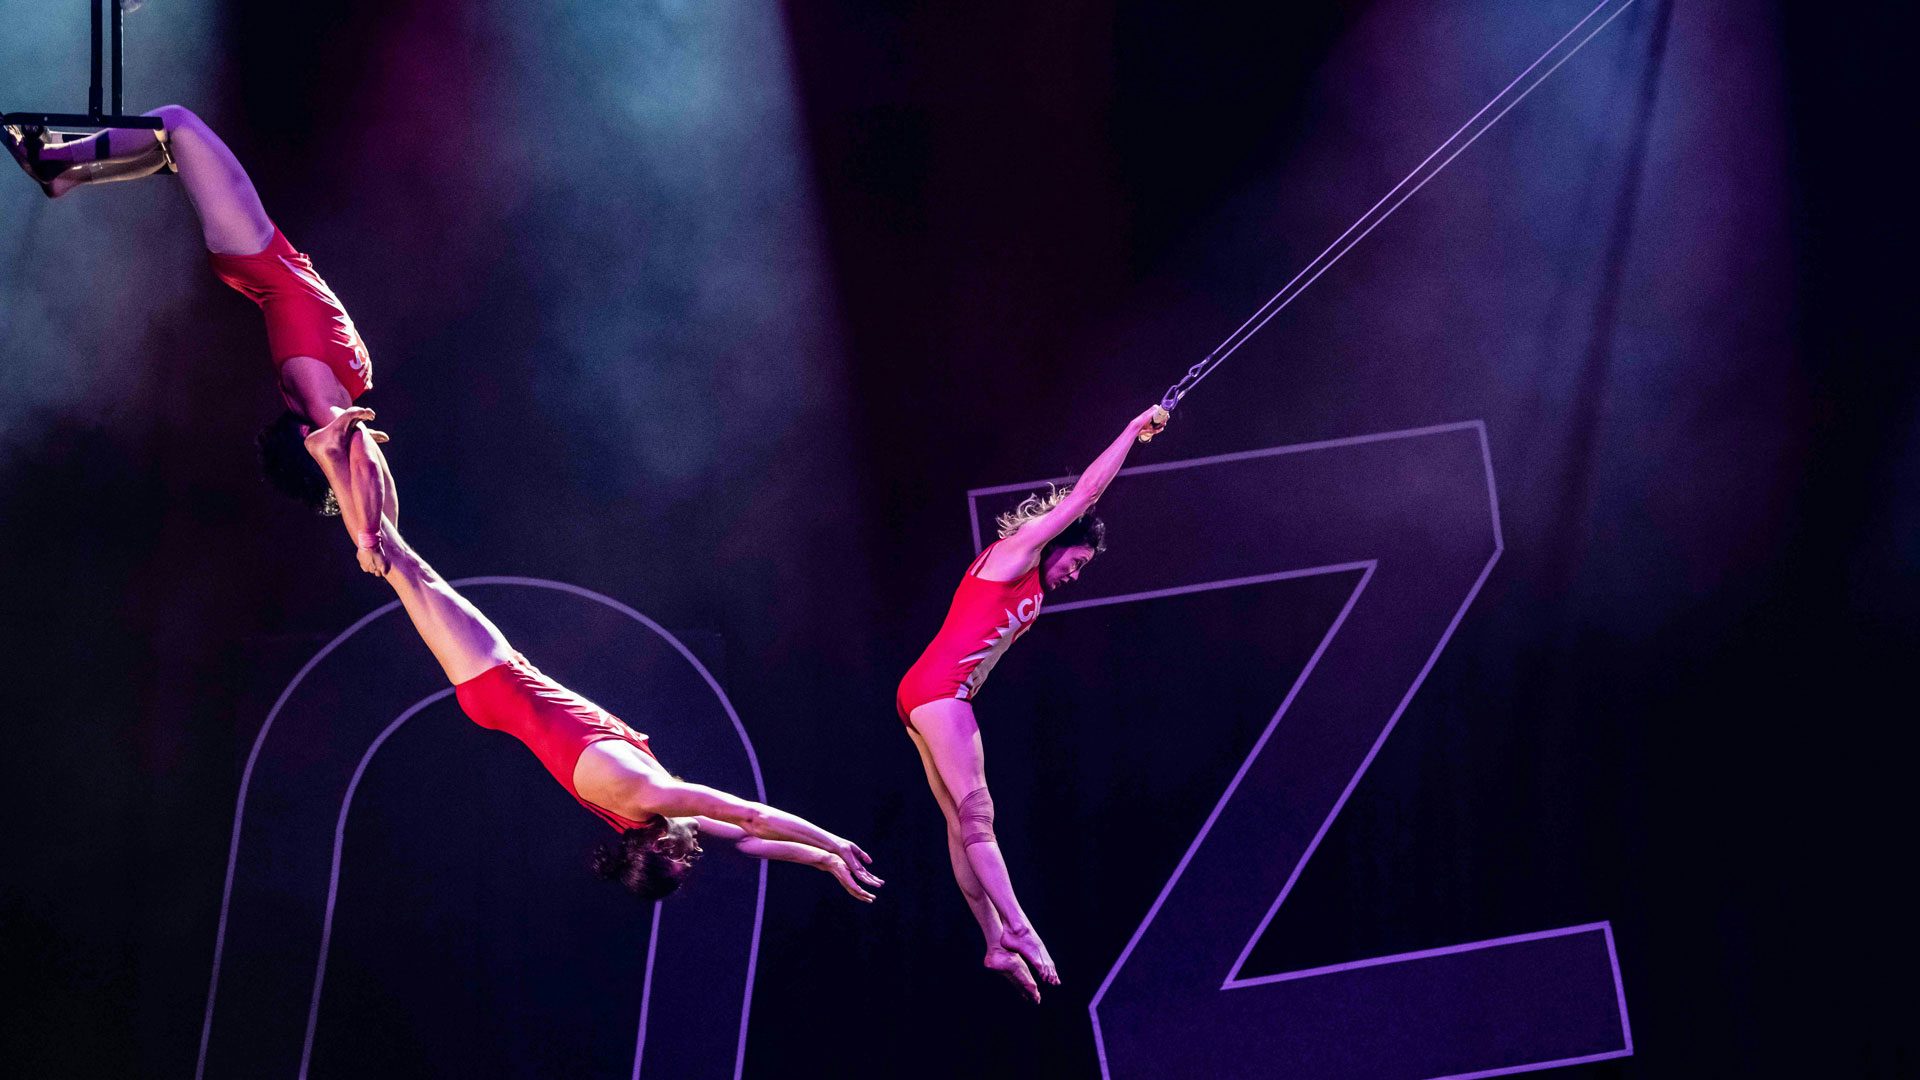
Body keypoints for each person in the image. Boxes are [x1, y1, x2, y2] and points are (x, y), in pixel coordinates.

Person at [302, 408, 884, 902]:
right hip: (499, 691)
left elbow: (753, 815)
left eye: (685, 857)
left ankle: (333, 460)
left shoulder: (652, 797)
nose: (696, 849)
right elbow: (752, 839)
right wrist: (823, 862)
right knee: (404, 563)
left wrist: (835, 840)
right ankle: (338, 463)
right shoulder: (653, 813)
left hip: (496, 683)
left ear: (657, 847)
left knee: (402, 562)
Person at [4, 106, 392, 570]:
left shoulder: (322, 408)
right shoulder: (336, 398)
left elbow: (360, 461)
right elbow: (378, 486)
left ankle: (56, 160)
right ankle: (65, 177)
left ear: (317, 448)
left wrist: (367, 539)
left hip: (254, 250)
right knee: (171, 150)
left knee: (176, 123)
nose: (361, 457)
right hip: (260, 257)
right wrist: (383, 533)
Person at [896, 404, 1167, 1001]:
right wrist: (1131, 431)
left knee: (958, 823)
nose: (1076, 573)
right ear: (1056, 543)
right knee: (978, 817)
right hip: (941, 691)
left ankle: (993, 940)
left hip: (928, 693)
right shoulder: (1016, 553)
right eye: (1076, 561)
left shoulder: (1032, 584)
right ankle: (1018, 925)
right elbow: (1086, 495)